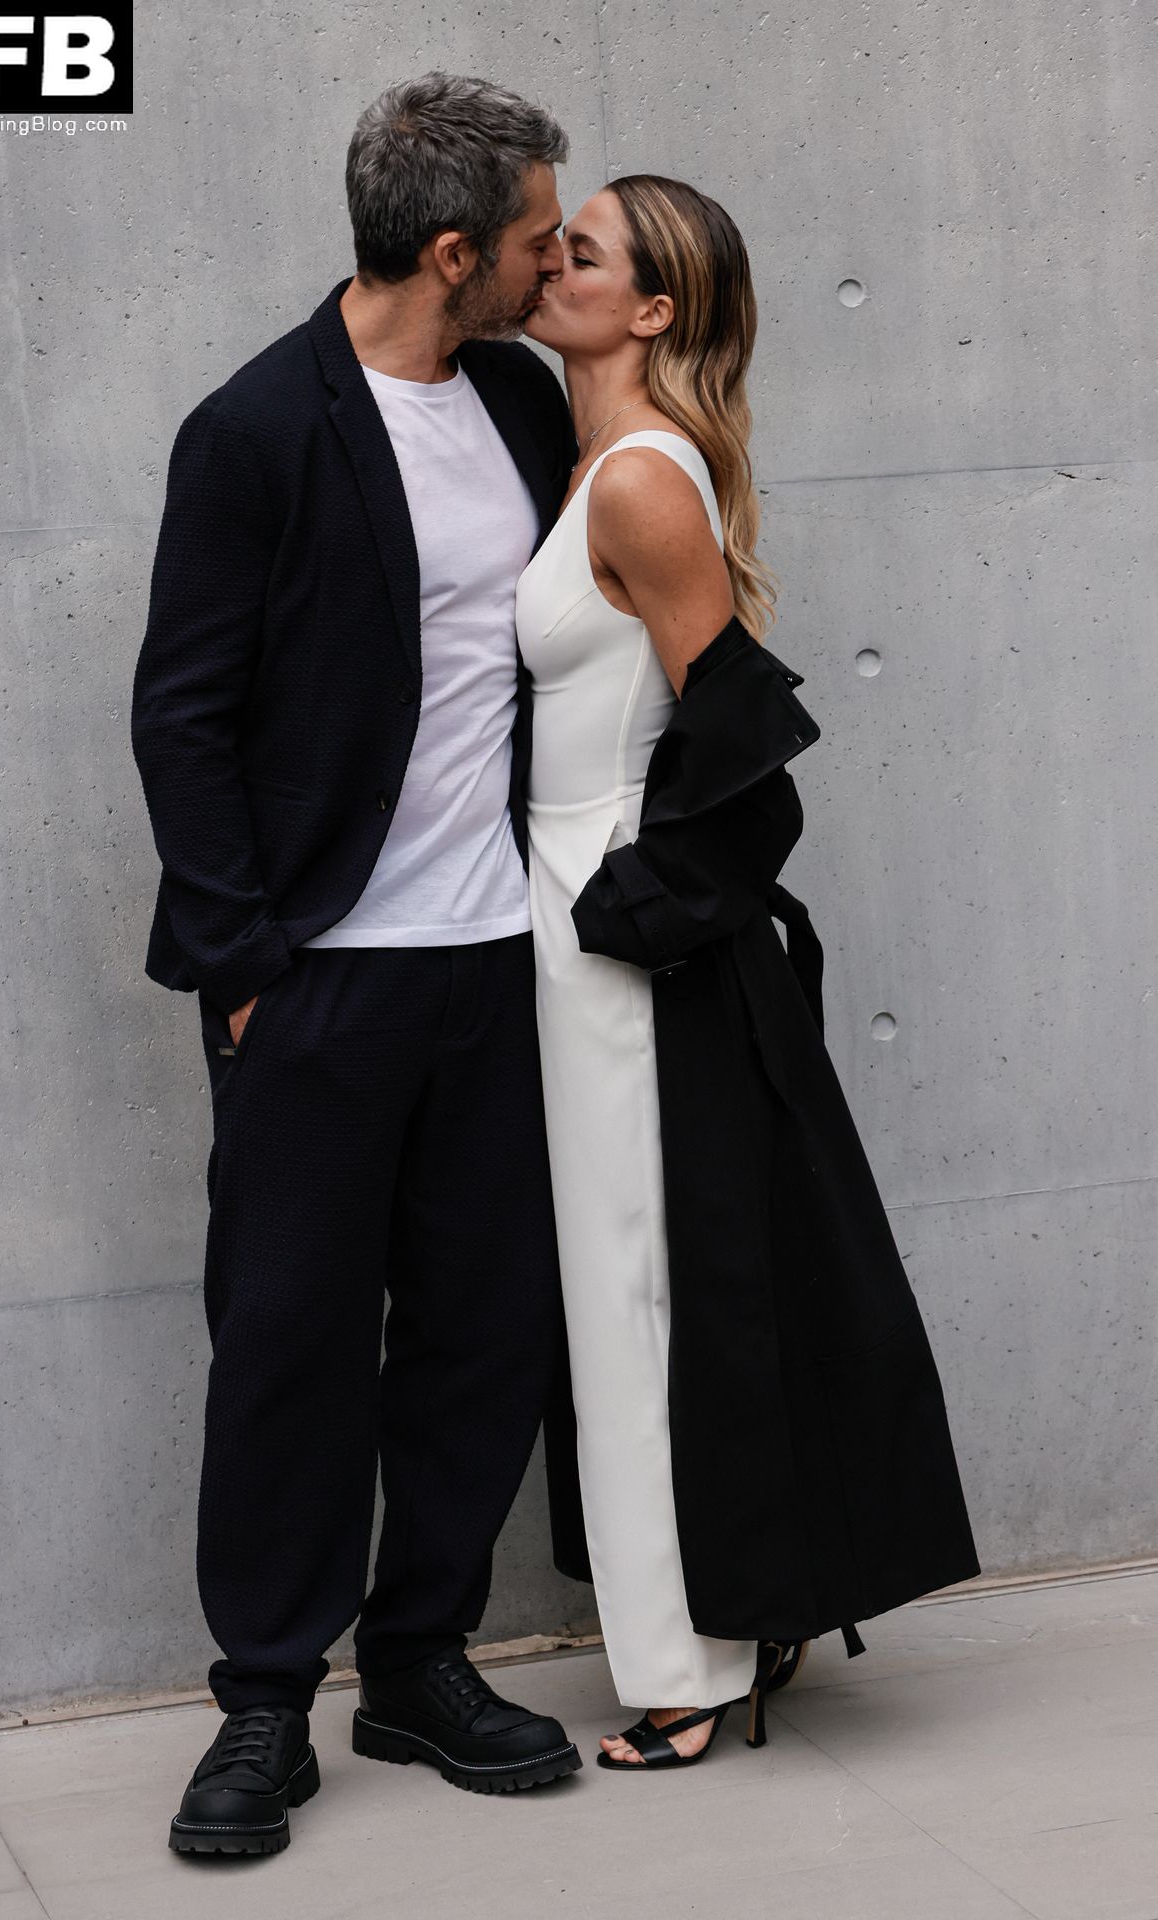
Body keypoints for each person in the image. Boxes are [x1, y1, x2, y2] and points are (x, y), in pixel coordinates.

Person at [131, 73, 585, 1856]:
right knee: (290, 1341)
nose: (559, 258)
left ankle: (418, 1663)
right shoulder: (255, 430)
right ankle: (264, 1699)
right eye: (537, 236)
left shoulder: (523, 399)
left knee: (482, 1327)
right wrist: (248, 965)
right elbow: (183, 716)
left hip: (497, 956)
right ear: (454, 250)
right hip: (319, 976)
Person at [518, 175, 980, 1771]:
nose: (549, 260)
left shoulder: (643, 482)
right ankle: (710, 1632)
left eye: (581, 251)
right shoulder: (590, 459)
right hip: (567, 914)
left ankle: (696, 1668)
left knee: (641, 1289)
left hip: (614, 938)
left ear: (651, 310)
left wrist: (623, 908)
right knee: (619, 1284)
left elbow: (747, 762)